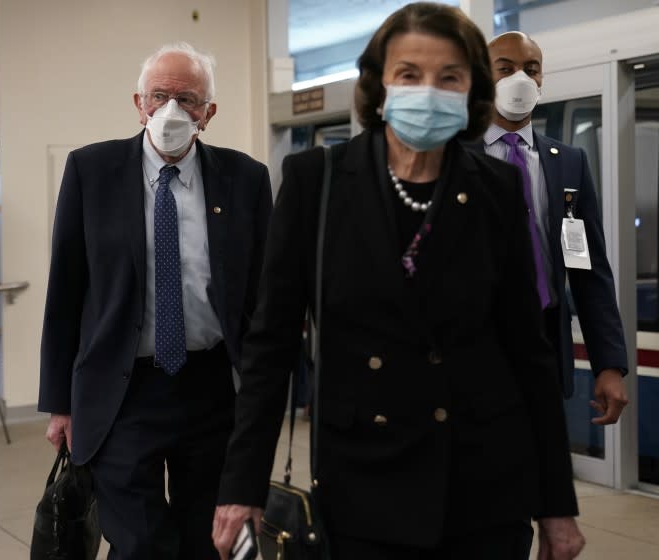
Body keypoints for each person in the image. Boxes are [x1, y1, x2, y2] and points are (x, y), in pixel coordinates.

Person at [212, 3, 584, 559]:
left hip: (482, 483)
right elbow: (270, 346)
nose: (428, 90)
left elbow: (527, 352)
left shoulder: (496, 189)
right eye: (409, 74)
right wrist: (242, 487)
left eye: (449, 77)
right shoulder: (318, 182)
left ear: (471, 92)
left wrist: (556, 503)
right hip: (362, 481)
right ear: (379, 87)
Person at [38, 42, 273, 560]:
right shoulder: (90, 171)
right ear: (138, 102)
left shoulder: (246, 179)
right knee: (141, 543)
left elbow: (262, 295)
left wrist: (267, 392)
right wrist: (60, 401)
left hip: (212, 385)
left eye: (187, 98)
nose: (171, 110)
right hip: (123, 389)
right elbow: (66, 291)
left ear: (209, 113)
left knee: (207, 540)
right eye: (159, 95)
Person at [483, 31, 629, 424]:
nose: (521, 79)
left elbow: (587, 268)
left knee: (540, 475)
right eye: (506, 68)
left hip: (544, 345)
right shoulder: (455, 158)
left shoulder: (568, 163)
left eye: (531, 70)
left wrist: (609, 364)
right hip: (475, 348)